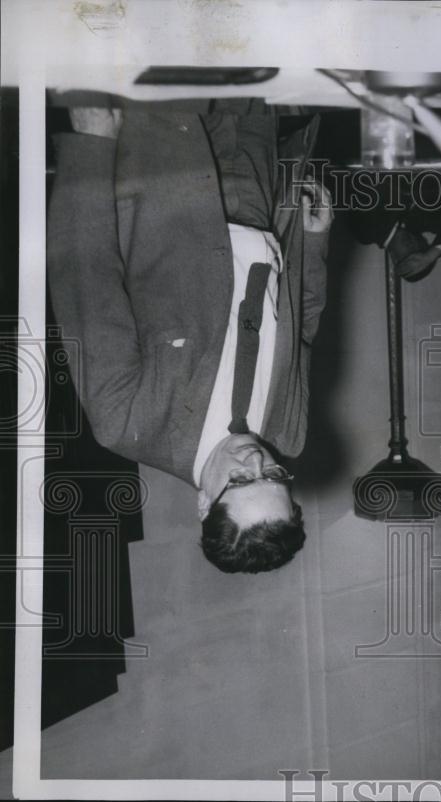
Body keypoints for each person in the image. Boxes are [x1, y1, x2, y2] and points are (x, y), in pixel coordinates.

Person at [47, 101, 333, 574]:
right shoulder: (290, 437)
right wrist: (314, 243)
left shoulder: (129, 424)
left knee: (170, 65)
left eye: (240, 481)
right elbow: (301, 330)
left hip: (164, 181)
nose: (255, 460)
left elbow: (85, 274)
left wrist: (91, 147)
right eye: (273, 475)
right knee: (245, 72)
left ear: (204, 504)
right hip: (259, 192)